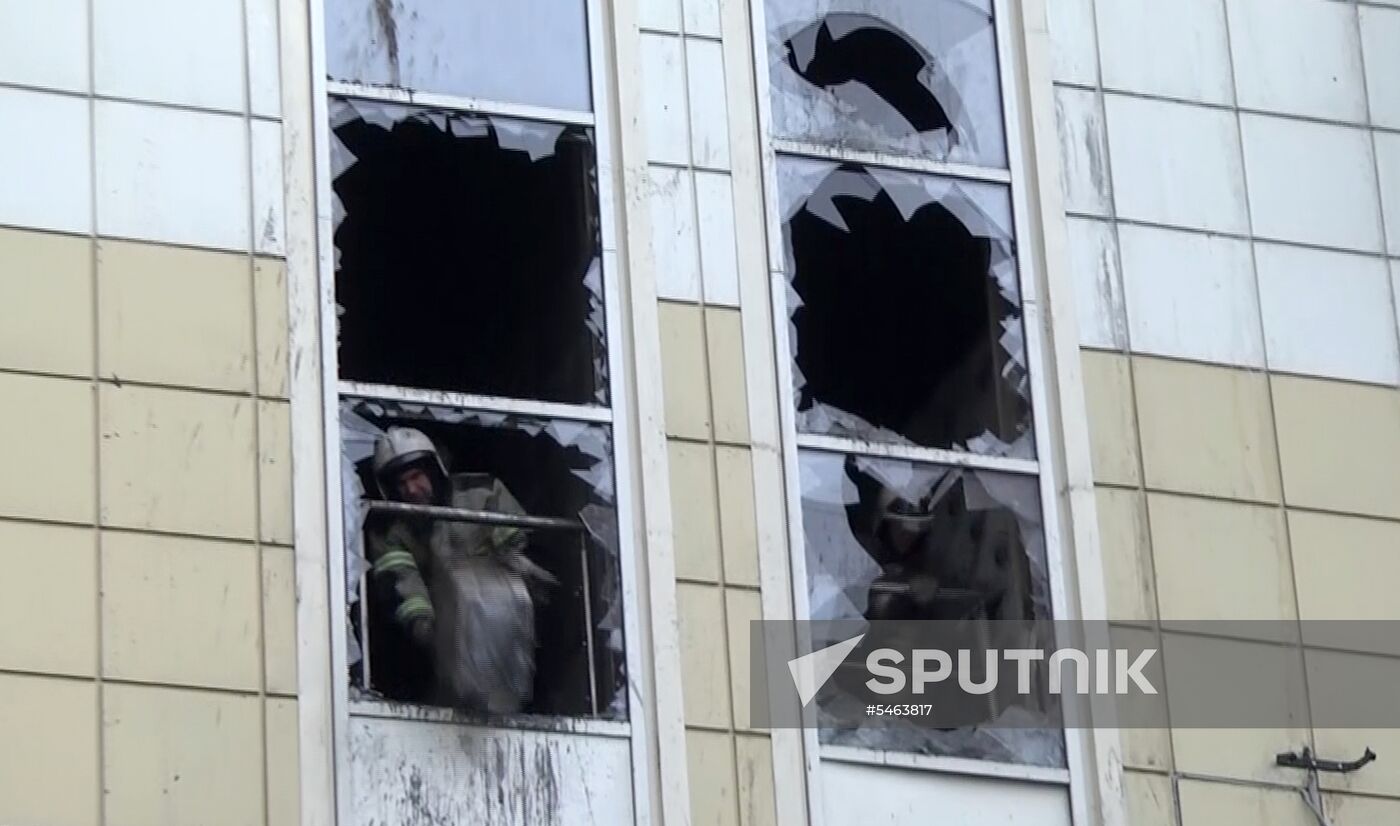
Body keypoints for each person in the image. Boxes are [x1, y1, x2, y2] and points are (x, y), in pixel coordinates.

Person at [367, 427, 555, 714]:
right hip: (447, 646)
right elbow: (405, 590)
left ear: (435, 470)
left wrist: (517, 568)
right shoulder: (392, 534)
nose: (411, 490)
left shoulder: (481, 493)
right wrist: (434, 634)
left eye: (417, 477)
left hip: (511, 625)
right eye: (402, 484)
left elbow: (521, 546)